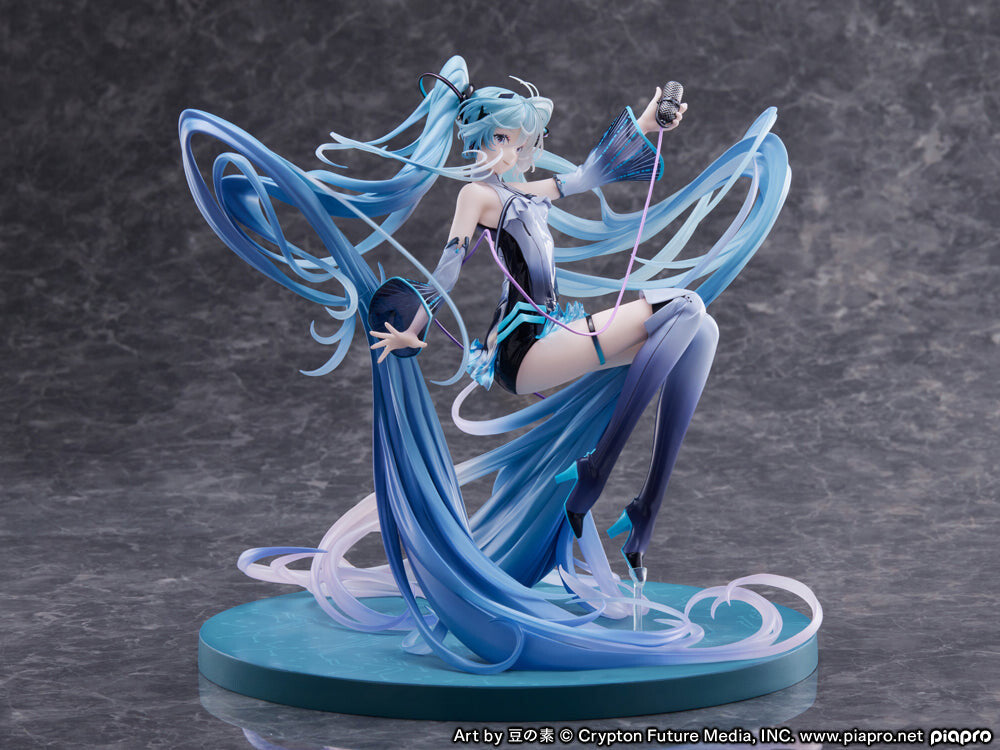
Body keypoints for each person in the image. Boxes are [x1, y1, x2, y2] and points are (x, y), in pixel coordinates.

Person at [179, 55, 819, 672]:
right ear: (487, 140)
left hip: (557, 330)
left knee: (700, 329)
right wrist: (414, 329)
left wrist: (650, 121)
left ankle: (644, 510)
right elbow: (449, 267)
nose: (518, 148)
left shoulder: (526, 193)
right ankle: (594, 474)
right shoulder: (477, 197)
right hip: (524, 349)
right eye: (508, 138)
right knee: (682, 306)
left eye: (523, 139)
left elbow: (588, 176)